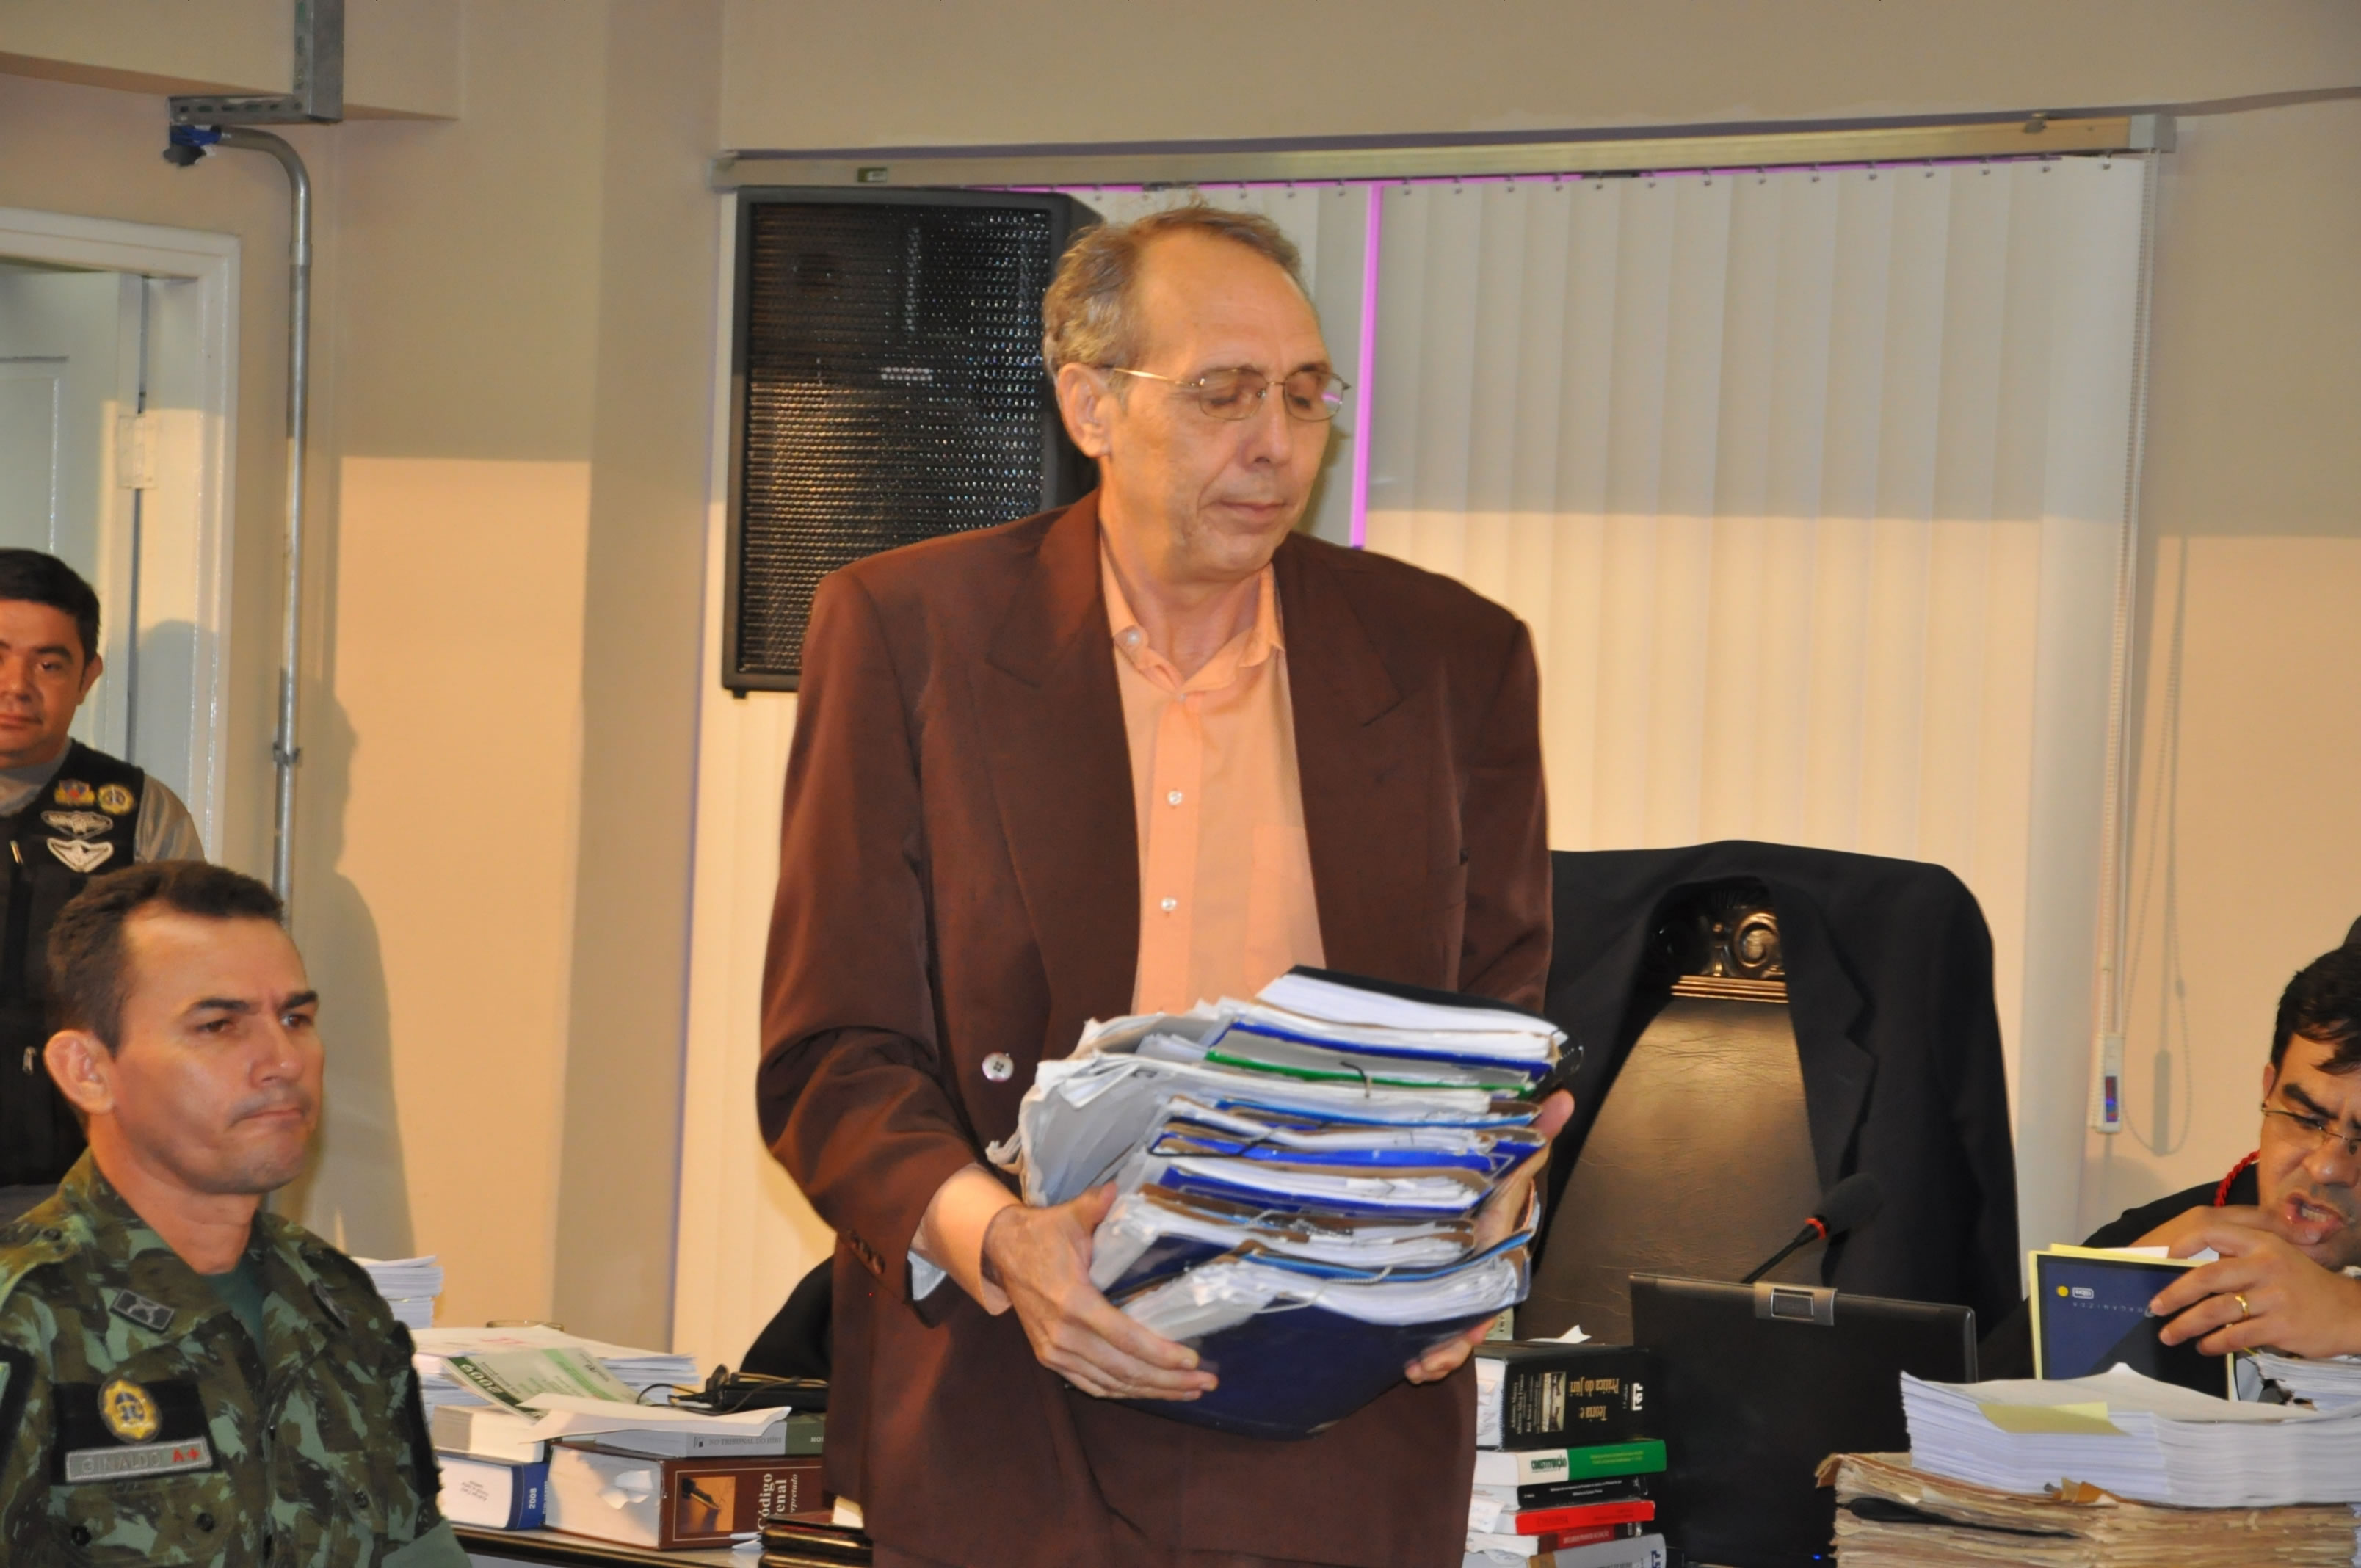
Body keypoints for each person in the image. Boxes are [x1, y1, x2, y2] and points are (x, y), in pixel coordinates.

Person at [759, 204, 1567, 1568]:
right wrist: (1003, 1240)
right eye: (1224, 393)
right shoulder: (910, 631)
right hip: (1007, 1399)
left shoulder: (1451, 658)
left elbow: (1500, 1037)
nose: (1276, 444)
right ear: (1091, 405)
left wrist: (1498, 1204)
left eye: (1304, 396)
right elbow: (831, 1054)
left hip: (1341, 1420)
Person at [0, 861, 465, 1567]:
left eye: (296, 1019)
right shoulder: (27, 1317)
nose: (283, 1060)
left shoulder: (340, 1303)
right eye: (219, 1026)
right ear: (88, 1072)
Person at [1982, 938, 2361, 1376]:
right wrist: (2110, 1302)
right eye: (2306, 1119)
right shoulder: (2164, 1238)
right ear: (2268, 1090)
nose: (2327, 1167)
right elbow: (1973, 1397)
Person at [0, 550, 205, 1218]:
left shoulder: (141, 815)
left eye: (49, 663)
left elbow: (195, 1006)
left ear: (88, 677)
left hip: (77, 1195)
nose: (16, 685)